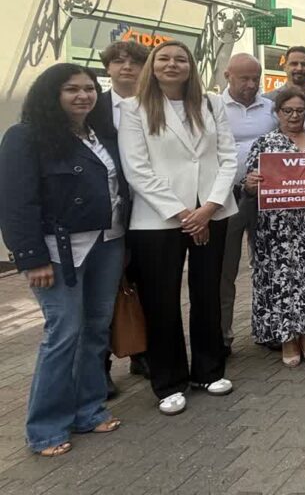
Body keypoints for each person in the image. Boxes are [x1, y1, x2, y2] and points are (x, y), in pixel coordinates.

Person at [0, 64, 128, 456]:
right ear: (51, 93)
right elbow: (16, 201)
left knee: (96, 330)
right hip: (58, 252)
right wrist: (31, 257)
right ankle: (46, 428)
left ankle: (89, 410)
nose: (83, 96)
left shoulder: (99, 134)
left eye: (89, 88)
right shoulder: (26, 136)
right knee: (64, 333)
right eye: (71, 89)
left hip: (108, 242)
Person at [118, 40, 238, 416]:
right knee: (161, 300)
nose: (172, 64)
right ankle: (169, 381)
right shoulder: (134, 108)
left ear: (191, 67)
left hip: (212, 211)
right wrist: (185, 215)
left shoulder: (211, 103)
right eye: (164, 59)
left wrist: (209, 208)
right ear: (152, 66)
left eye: (180, 59)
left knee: (207, 292)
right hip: (158, 219)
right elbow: (137, 169)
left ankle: (208, 370)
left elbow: (228, 157)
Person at [243, 88, 305, 367]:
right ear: (277, 113)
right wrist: (251, 184)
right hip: (279, 229)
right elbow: (248, 187)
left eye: (299, 110)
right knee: (284, 282)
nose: (294, 116)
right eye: (287, 110)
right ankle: (288, 337)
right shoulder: (265, 143)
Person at [95, 40, 151, 393]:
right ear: (108, 68)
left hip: (147, 210)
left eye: (134, 62)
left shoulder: (154, 105)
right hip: (107, 213)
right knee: (104, 292)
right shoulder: (94, 108)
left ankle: (141, 354)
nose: (126, 67)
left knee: (144, 287)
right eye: (118, 61)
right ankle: (99, 365)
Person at [220, 54, 276, 354]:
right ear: (227, 76)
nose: (251, 84)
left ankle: (269, 329)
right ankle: (223, 336)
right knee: (224, 270)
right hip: (227, 198)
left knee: (267, 266)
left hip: (266, 199)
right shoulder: (213, 108)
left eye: (256, 78)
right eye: (244, 78)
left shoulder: (270, 108)